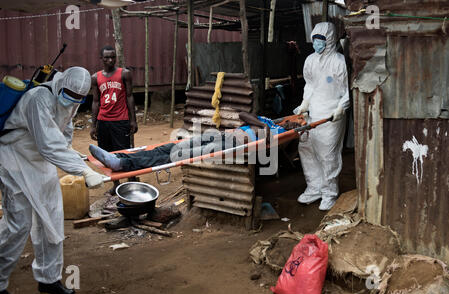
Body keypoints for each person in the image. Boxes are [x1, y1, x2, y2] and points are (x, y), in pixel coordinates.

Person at [0, 67, 106, 294]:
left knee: (52, 219)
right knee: (18, 225)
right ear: (61, 84)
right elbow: (48, 144)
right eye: (70, 94)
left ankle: (49, 279)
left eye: (79, 98)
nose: (73, 100)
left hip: (41, 162)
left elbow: (64, 130)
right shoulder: (37, 99)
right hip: (14, 159)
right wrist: (83, 170)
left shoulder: (72, 97)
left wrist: (69, 151)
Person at [89, 112, 298, 172]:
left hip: (232, 147)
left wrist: (283, 131)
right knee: (173, 146)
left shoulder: (281, 134)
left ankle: (122, 164)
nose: (290, 124)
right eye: (291, 121)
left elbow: (275, 145)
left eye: (295, 125)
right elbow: (244, 114)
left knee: (174, 156)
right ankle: (118, 157)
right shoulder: (269, 122)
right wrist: (265, 126)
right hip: (221, 136)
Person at [293, 22, 349, 211]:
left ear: (330, 40)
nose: (317, 43)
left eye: (321, 39)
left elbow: (347, 90)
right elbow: (309, 85)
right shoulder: (310, 60)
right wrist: (304, 104)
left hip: (331, 115)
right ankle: (314, 187)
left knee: (328, 155)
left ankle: (329, 194)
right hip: (313, 114)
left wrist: (341, 108)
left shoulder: (339, 61)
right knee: (306, 149)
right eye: (315, 39)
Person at [90, 45, 138, 194]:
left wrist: (133, 120)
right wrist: (93, 124)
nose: (110, 60)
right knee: (107, 154)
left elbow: (130, 97)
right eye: (107, 57)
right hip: (103, 121)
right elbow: (96, 101)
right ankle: (116, 183)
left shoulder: (124, 74)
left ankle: (132, 180)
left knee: (125, 152)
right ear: (101, 59)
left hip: (121, 120)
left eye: (113, 57)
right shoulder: (95, 77)